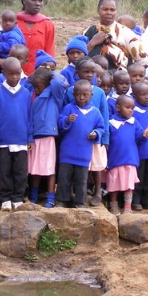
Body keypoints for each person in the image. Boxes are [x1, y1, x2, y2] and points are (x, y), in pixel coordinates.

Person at [0, 57, 34, 211]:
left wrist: (29, 137)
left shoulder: (26, 93)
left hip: (21, 140)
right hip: (3, 140)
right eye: (11, 74)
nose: (15, 77)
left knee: (20, 172)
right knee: (4, 171)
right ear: (4, 73)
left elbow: (29, 117)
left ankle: (18, 198)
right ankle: (5, 198)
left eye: (18, 74)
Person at [57, 80, 105, 208]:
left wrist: (95, 134)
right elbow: (60, 123)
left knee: (81, 180)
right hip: (67, 152)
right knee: (64, 178)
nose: (81, 97)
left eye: (85, 94)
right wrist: (67, 120)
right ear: (73, 94)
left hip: (84, 154)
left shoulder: (95, 112)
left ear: (91, 95)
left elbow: (101, 127)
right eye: (78, 94)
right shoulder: (69, 108)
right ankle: (62, 200)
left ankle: (79, 202)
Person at [28, 67, 67, 208]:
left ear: (47, 83)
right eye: (34, 86)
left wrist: (51, 73)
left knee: (49, 169)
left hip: (48, 136)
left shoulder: (54, 95)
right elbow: (27, 82)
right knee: (35, 169)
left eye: (38, 86)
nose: (36, 89)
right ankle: (33, 195)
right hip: (34, 136)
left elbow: (59, 83)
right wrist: (35, 75)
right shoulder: (32, 94)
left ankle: (51, 197)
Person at [107, 95, 148, 215]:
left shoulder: (134, 122)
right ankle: (113, 205)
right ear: (118, 107)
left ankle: (127, 206)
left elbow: (139, 138)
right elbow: (107, 142)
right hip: (115, 159)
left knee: (129, 184)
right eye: (127, 107)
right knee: (113, 184)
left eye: (132, 108)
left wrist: (144, 135)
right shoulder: (111, 123)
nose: (131, 110)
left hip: (130, 159)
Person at [84, 0, 148, 72]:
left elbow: (144, 61)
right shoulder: (88, 31)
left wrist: (128, 78)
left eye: (112, 10)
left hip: (118, 80)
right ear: (98, 10)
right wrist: (92, 44)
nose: (109, 13)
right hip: (90, 78)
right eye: (105, 9)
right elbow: (77, 58)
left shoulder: (126, 33)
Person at [16, 0, 56, 75]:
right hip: (15, 75)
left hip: (38, 76)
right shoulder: (13, 22)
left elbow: (49, 55)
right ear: (24, 1)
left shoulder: (47, 24)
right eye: (34, 0)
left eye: (40, 0)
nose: (37, 3)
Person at [132, 81, 148, 210]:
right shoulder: (132, 111)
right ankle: (136, 200)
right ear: (135, 96)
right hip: (138, 152)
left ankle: (147, 199)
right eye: (143, 94)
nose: (147, 97)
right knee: (138, 177)